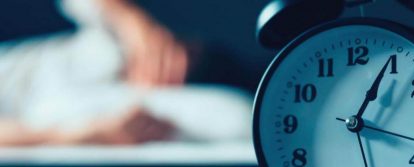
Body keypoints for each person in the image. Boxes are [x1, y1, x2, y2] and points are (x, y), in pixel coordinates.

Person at [0, 0, 251, 145]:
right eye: (183, 49)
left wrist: (77, 136)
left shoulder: (107, 105)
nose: (168, 62)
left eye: (186, 71)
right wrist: (133, 23)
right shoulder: (112, 42)